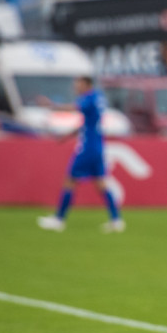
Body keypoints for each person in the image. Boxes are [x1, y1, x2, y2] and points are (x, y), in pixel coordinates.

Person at [37, 76, 124, 233]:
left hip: (87, 148)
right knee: (101, 183)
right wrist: (68, 135)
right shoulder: (98, 97)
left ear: (87, 84)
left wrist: (51, 105)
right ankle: (116, 220)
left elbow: (74, 107)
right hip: (97, 145)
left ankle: (59, 219)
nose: (76, 87)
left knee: (70, 180)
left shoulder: (89, 98)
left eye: (78, 84)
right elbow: (87, 124)